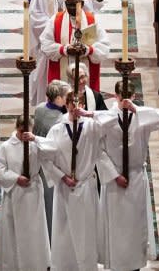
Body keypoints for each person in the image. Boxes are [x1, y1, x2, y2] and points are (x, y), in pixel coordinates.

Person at [31, 91, 107, 270]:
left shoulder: (92, 126)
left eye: (78, 103)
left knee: (87, 232)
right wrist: (62, 176)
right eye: (71, 103)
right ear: (66, 105)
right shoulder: (57, 129)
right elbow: (45, 158)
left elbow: (111, 121)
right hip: (65, 188)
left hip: (86, 186)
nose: (74, 107)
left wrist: (90, 114)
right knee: (64, 233)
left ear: (82, 104)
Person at [96, 86, 159, 271]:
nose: (125, 100)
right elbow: (98, 150)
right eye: (122, 97)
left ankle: (135, 264)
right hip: (114, 179)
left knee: (135, 225)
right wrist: (113, 175)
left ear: (134, 95)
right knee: (116, 226)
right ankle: (116, 264)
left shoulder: (141, 116)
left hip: (134, 176)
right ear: (116, 96)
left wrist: (136, 109)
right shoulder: (106, 118)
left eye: (129, 96)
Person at [0, 115, 51, 271]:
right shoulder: (6, 146)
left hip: (33, 192)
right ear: (16, 128)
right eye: (21, 131)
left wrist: (36, 139)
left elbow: (53, 149)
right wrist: (15, 178)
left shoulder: (35, 144)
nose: (24, 134)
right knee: (13, 232)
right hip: (15, 193)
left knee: (34, 231)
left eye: (28, 131)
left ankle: (36, 264)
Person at [38, 0, 109, 99]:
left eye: (74, 5)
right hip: (62, 72)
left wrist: (88, 50)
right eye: (68, 4)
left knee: (86, 103)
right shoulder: (55, 20)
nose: (71, 8)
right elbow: (45, 44)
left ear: (82, 4)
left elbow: (104, 45)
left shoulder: (92, 20)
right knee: (61, 101)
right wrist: (64, 49)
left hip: (85, 69)